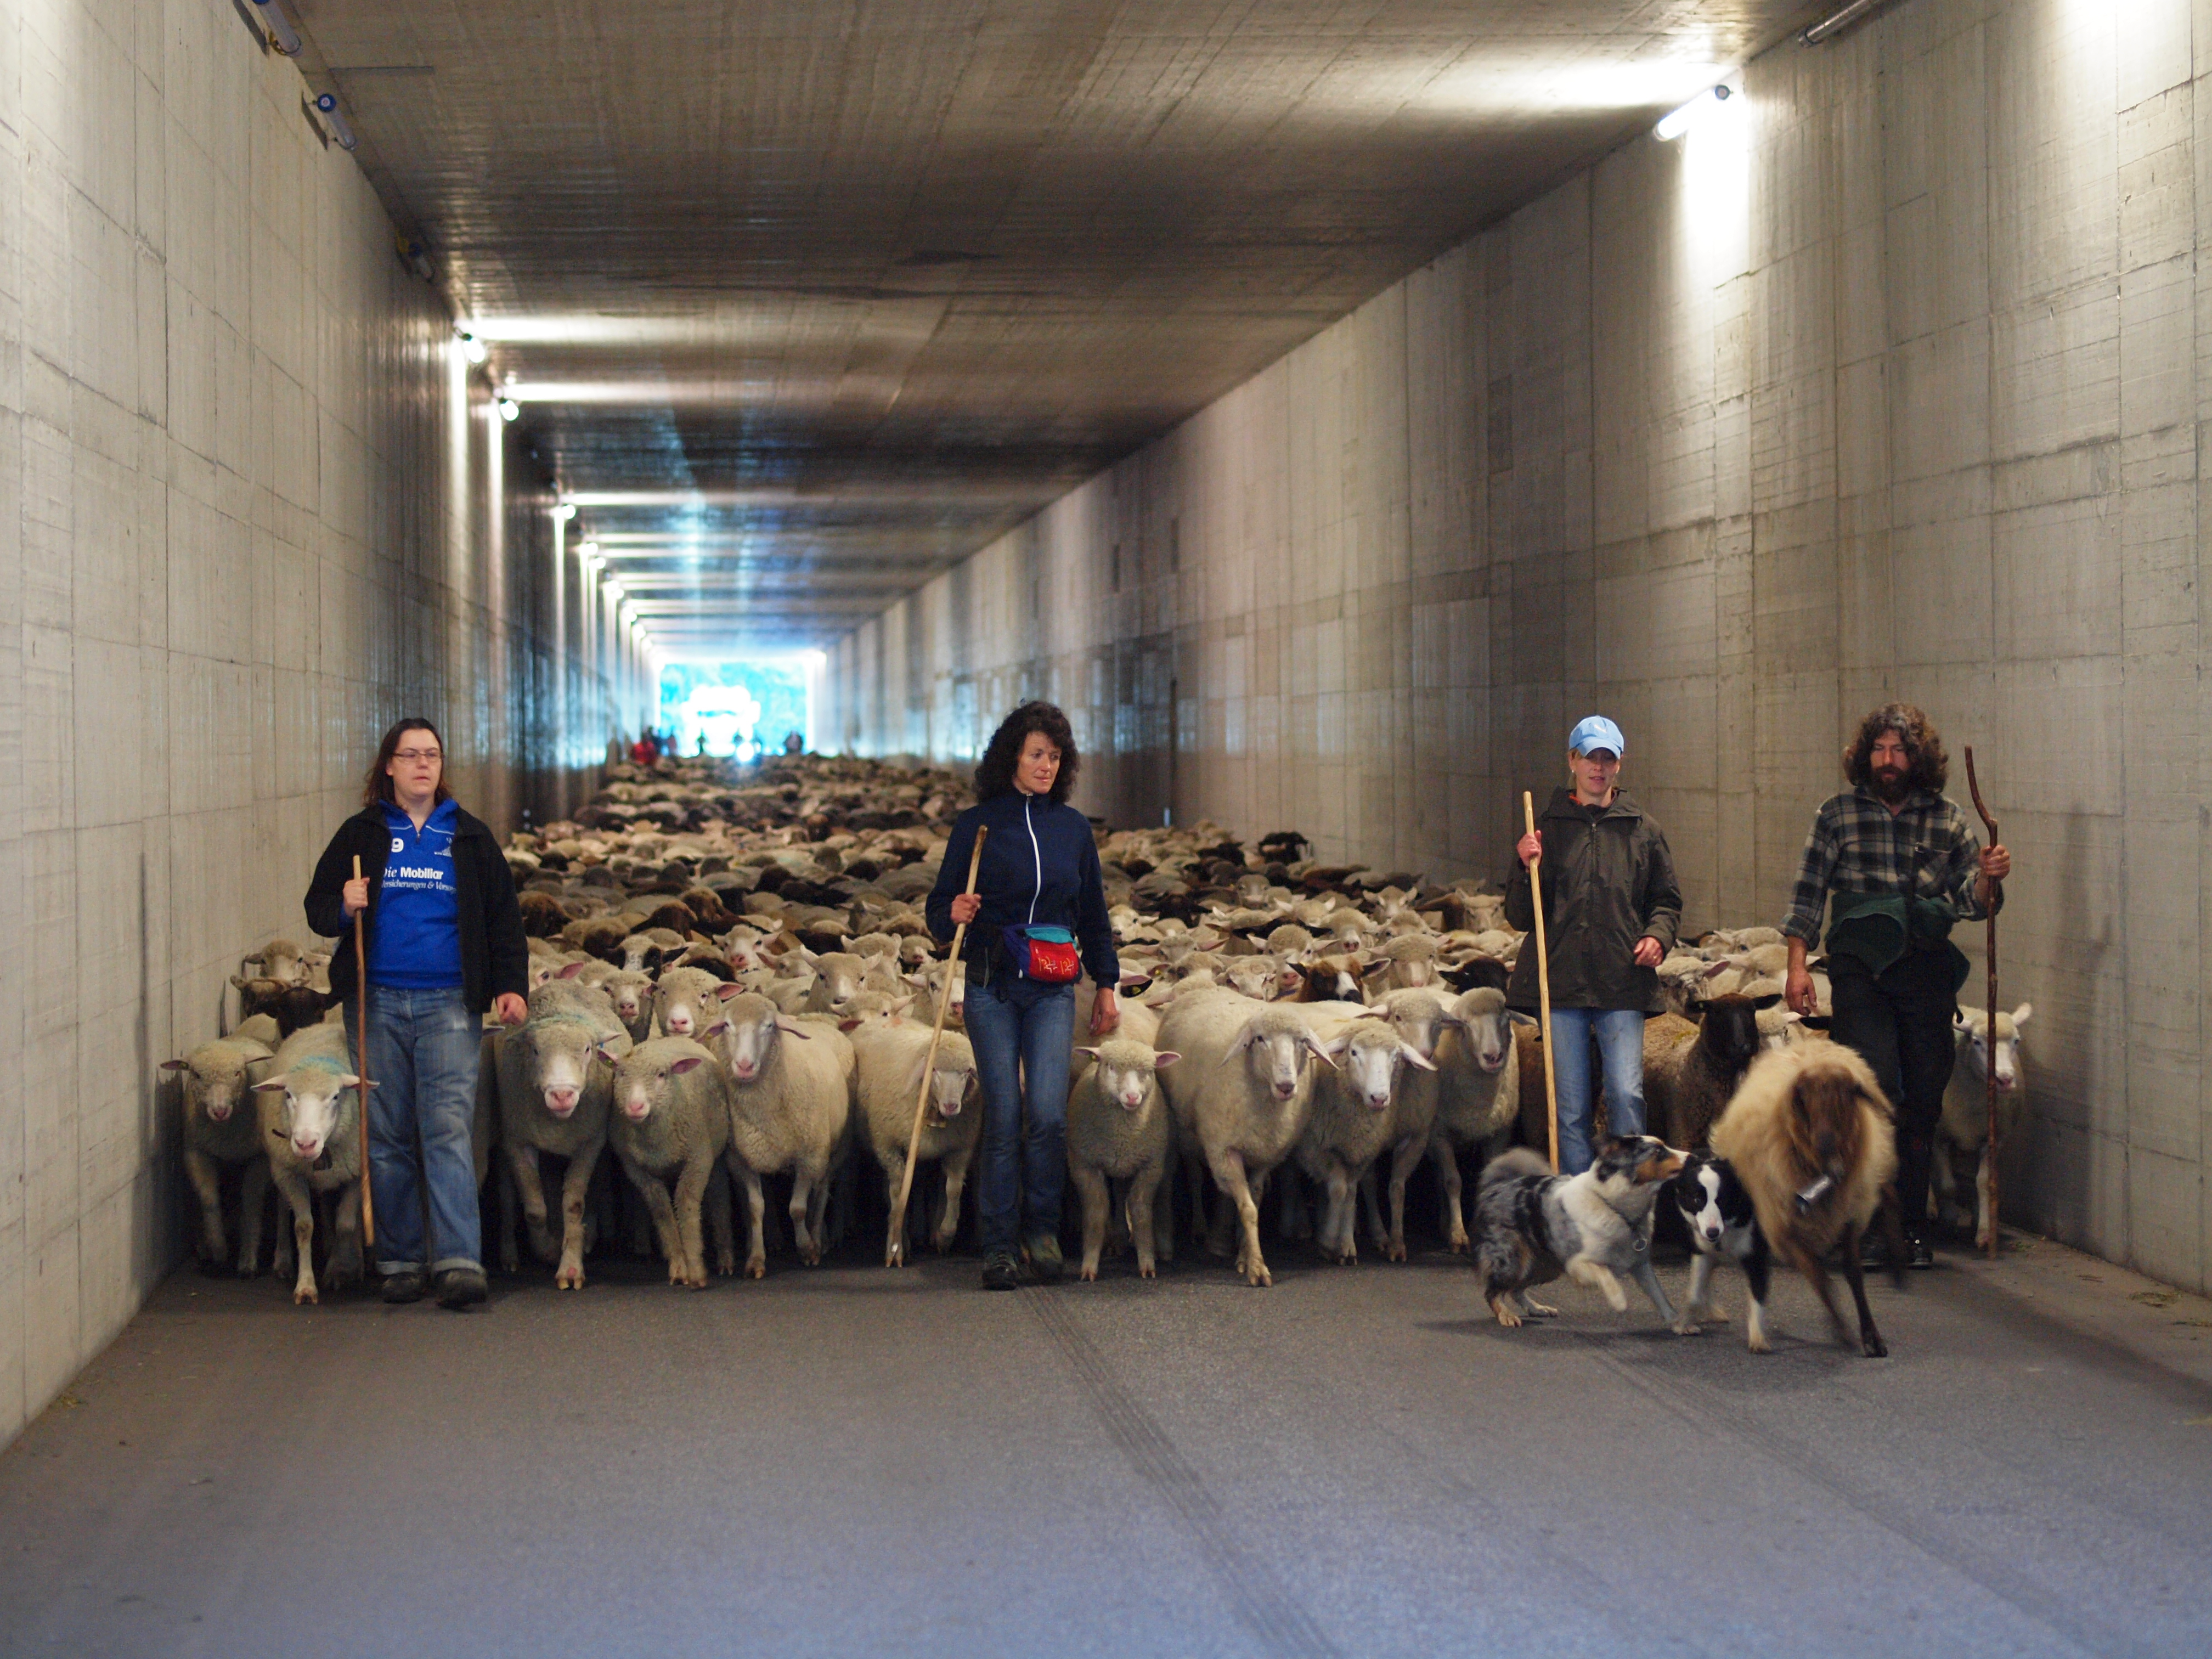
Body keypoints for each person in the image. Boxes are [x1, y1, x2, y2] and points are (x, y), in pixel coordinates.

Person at [303, 719, 529, 1308]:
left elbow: (503, 919)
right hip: (375, 1000)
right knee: (387, 1132)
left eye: (431, 755)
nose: (422, 765)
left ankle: (459, 1260)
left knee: (448, 1128)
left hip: (451, 1002)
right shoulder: (363, 834)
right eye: (410, 756)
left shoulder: (470, 838)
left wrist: (509, 986)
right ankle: (401, 1260)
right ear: (389, 766)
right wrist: (343, 905)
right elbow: (318, 906)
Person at [1781, 703, 2010, 1267]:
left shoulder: (1949, 820)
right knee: (1875, 1089)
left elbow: (1971, 902)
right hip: (1862, 973)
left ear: (1918, 758)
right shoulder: (1837, 815)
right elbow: (1808, 893)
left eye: (1900, 750)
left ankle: (1910, 1226)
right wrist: (1797, 964)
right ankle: (1866, 1222)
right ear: (1865, 756)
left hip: (1925, 973)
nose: (1888, 760)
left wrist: (1989, 879)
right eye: (1879, 749)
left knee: (1925, 1101)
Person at [927, 702, 1120, 1290]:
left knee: (1046, 1115)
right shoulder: (978, 826)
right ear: (1012, 755)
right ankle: (999, 1246)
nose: (1046, 765)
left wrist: (1107, 984)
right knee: (1005, 1115)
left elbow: (1092, 912)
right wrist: (951, 913)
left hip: (1054, 988)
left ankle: (1042, 1230)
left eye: (1055, 757)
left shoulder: (1072, 829)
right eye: (1037, 754)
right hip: (990, 984)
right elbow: (941, 909)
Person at [1505, 716, 1682, 1175]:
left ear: (1620, 765)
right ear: (1573, 761)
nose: (1598, 768)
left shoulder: (1644, 830)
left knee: (1627, 1095)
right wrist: (1525, 868)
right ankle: (1578, 1209)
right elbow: (1521, 917)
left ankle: (1630, 1200)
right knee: (1571, 1107)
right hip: (1561, 983)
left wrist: (1657, 937)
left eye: (1608, 758)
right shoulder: (1545, 829)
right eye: (1590, 757)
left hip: (1621, 982)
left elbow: (1666, 901)